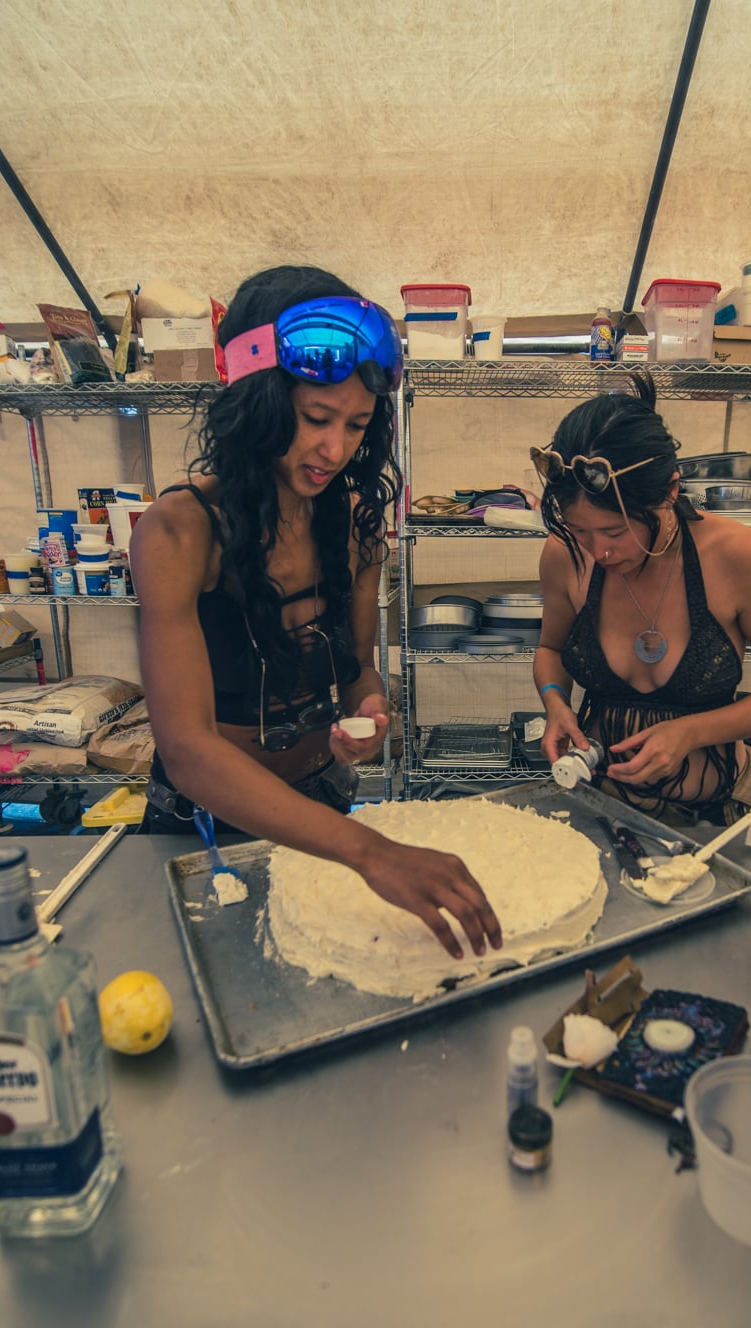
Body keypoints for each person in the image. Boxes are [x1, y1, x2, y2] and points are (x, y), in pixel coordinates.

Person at [130, 265, 501, 961]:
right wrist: (372, 851)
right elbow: (186, 751)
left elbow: (359, 668)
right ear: (260, 402)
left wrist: (367, 709)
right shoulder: (182, 532)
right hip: (205, 827)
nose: (336, 450)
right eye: (315, 419)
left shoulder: (356, 519)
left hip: (322, 800)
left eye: (357, 425)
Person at [531, 377, 751, 825]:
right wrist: (555, 702)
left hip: (724, 813)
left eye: (615, 531)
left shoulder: (741, 556)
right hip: (605, 807)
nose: (597, 551)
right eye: (580, 530)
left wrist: (691, 732)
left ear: (670, 492)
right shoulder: (564, 555)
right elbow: (550, 651)